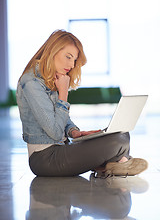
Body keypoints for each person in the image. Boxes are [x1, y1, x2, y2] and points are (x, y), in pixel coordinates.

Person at [16, 29, 148, 178]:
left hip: (61, 149)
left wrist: (74, 132)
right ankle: (117, 162)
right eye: (68, 57)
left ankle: (114, 164)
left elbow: (60, 119)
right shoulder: (31, 82)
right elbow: (54, 131)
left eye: (74, 60)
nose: (72, 65)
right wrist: (63, 93)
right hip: (45, 159)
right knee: (116, 142)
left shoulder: (50, 78)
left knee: (121, 134)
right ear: (52, 51)